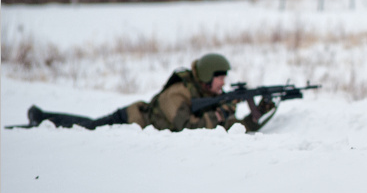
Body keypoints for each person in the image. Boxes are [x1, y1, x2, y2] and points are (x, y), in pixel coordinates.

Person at [21, 53, 277, 133]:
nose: (224, 82)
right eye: (220, 77)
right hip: (131, 119)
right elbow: (186, 126)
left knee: (85, 127)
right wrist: (221, 113)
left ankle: (43, 118)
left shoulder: (205, 94)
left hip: (140, 125)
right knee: (86, 128)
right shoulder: (178, 93)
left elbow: (231, 131)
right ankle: (42, 118)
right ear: (208, 76)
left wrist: (255, 116)